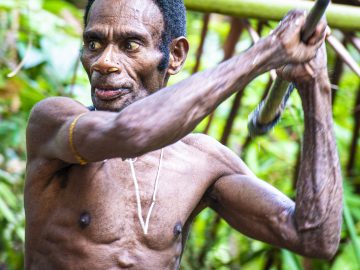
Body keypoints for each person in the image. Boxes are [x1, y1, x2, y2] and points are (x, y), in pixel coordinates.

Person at [24, 0, 342, 269]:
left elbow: (315, 237)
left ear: (175, 55)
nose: (104, 62)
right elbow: (133, 133)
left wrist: (315, 84)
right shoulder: (55, 122)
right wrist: (266, 52)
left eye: (129, 45)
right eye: (94, 43)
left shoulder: (202, 162)